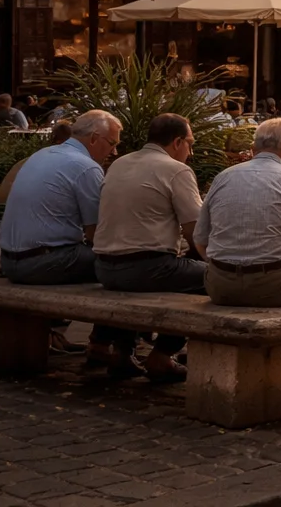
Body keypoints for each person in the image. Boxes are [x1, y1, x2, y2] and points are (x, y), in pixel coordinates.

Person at [193, 118, 281, 385]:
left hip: (220, 284)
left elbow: (200, 240)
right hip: (276, 283)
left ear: (254, 147)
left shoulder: (224, 177)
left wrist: (222, 264)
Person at [0, 110, 130, 366]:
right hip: (42, 263)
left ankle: (59, 332)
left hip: (9, 260)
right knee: (123, 268)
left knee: (99, 260)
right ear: (94, 138)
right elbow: (97, 234)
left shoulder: (41, 155)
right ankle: (109, 346)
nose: (114, 152)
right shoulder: (86, 167)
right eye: (112, 143)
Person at [92, 113, 203, 383]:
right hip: (147, 268)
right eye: (190, 143)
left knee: (154, 272)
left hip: (104, 268)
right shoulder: (176, 170)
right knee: (213, 278)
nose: (190, 150)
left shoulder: (119, 163)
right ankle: (163, 354)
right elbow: (197, 233)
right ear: (177, 142)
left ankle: (122, 351)